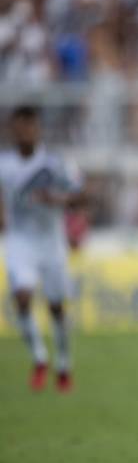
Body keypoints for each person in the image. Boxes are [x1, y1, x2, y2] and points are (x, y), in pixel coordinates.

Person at [0, 105, 85, 392]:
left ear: (37, 129)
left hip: (51, 242)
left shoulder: (53, 164)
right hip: (20, 241)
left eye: (30, 126)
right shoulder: (5, 165)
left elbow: (82, 197)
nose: (24, 132)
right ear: (13, 129)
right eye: (19, 126)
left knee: (56, 308)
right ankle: (39, 358)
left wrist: (57, 201)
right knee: (22, 298)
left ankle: (63, 363)